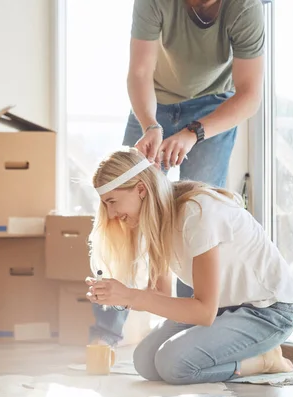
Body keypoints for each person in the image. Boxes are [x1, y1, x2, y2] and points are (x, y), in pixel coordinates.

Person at [89, 0, 266, 346]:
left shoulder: (245, 8)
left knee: (200, 228)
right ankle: (106, 336)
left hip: (215, 106)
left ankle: (188, 338)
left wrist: (194, 132)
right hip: (153, 102)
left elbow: (250, 95)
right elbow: (140, 72)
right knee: (118, 211)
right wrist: (150, 124)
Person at [85, 148, 293, 384]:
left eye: (112, 201)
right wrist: (120, 297)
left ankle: (264, 361)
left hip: (269, 311)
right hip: (226, 307)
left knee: (173, 365)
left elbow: (203, 312)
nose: (110, 213)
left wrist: (131, 295)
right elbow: (160, 296)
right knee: (145, 361)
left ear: (140, 189)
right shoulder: (154, 221)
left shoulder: (196, 213)